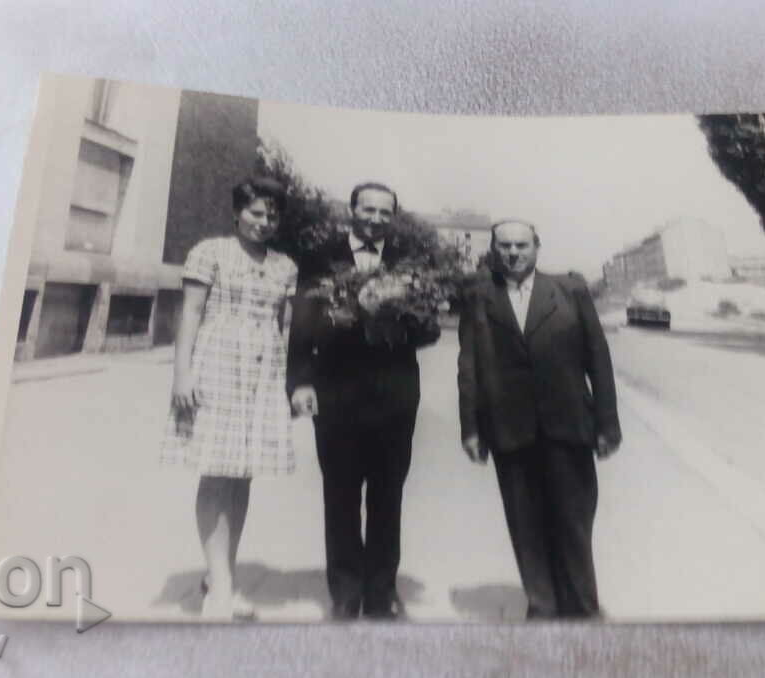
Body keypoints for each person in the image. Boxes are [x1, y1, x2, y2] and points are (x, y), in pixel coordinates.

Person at [287, 182, 441, 620]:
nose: (375, 218)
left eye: (384, 212)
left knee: (388, 495)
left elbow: (430, 330)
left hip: (394, 395)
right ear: (351, 210)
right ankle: (345, 592)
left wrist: (401, 317)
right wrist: (300, 383)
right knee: (339, 494)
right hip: (336, 393)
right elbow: (301, 326)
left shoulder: (411, 263)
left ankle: (382, 592)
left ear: (394, 216)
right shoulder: (321, 259)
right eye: (367, 209)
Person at [456, 220, 622, 619]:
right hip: (509, 428)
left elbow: (597, 358)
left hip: (568, 426)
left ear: (537, 247)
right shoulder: (479, 296)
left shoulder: (570, 290)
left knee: (574, 522)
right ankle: (542, 605)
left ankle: (582, 607)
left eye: (521, 245)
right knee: (525, 524)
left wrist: (607, 423)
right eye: (505, 246)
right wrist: (471, 428)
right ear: (494, 249)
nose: (513, 253)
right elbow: (469, 366)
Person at [160, 178, 299, 621]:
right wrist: (182, 373)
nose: (264, 221)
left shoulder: (285, 266)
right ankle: (219, 585)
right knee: (217, 471)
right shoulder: (210, 252)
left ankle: (222, 575)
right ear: (237, 213)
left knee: (241, 476)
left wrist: (291, 384)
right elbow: (192, 314)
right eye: (256, 212)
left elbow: (287, 327)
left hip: (264, 372)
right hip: (217, 365)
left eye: (272, 215)